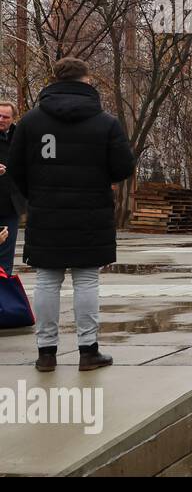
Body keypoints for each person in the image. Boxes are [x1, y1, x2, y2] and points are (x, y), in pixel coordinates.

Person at [8, 57, 135, 372]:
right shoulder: (105, 122)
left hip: (45, 211)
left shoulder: (31, 122)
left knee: (47, 280)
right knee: (87, 279)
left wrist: (35, 193)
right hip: (91, 213)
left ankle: (46, 353)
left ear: (54, 80)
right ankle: (88, 351)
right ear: (86, 80)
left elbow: (15, 168)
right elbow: (123, 167)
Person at [0, 99, 24, 274]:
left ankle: (4, 297)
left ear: (13, 118)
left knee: (6, 258)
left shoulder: (20, 137)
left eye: (5, 117)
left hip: (10, 205)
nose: (1, 119)